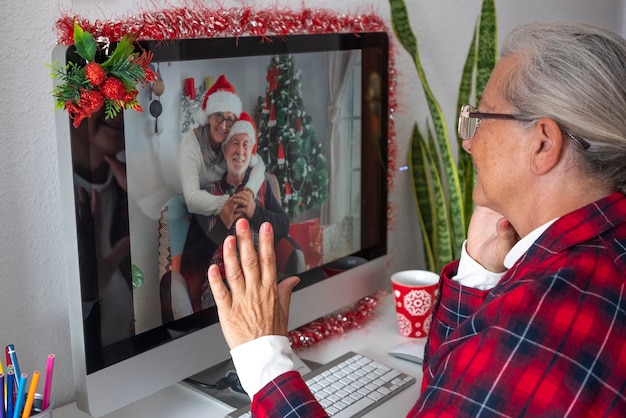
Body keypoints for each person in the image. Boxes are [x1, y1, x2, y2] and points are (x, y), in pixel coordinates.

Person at [206, 20, 626, 417]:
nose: (468, 142)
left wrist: (262, 353)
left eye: (480, 117)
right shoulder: (605, 253)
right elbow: (456, 388)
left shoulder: (538, 326)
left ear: (542, 144)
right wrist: (477, 275)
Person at [181, 113, 292, 312]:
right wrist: (221, 225)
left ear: (251, 154)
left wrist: (256, 213)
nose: (239, 151)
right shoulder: (208, 193)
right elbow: (192, 257)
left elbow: (284, 226)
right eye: (234, 143)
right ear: (224, 151)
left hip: (261, 281)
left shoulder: (263, 188)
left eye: (245, 144)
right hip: (221, 286)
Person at [71, 105, 135, 351]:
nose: (118, 109)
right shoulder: (47, 205)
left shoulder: (132, 187)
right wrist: (87, 296)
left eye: (127, 99)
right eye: (103, 94)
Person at [179, 74, 266, 216]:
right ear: (209, 116)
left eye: (229, 119)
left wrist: (250, 191)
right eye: (218, 115)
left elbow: (259, 163)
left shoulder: (231, 142)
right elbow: (192, 197)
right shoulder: (190, 144)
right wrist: (230, 203)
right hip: (204, 210)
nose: (224, 126)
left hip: (229, 198)